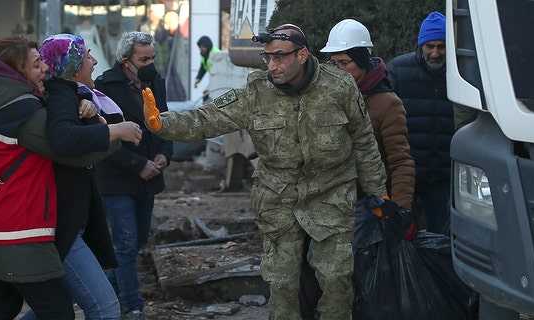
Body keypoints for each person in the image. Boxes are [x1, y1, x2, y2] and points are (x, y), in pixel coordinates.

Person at [142, 24, 388, 320]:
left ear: (302, 55)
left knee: (335, 279)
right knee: (281, 283)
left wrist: (378, 191)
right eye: (267, 58)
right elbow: (206, 119)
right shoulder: (256, 93)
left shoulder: (340, 87)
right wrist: (161, 124)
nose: (272, 66)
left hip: (330, 195)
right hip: (278, 200)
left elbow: (364, 140)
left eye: (280, 57)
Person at [296, 18, 416, 320]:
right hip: (322, 199)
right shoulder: (325, 97)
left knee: (345, 271)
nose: (338, 70)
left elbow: (400, 160)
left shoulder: (387, 103)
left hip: (364, 205)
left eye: (345, 62)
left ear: (363, 60)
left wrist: (398, 209)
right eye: (333, 63)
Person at [19, 34, 143, 320]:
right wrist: (114, 130)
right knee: (106, 308)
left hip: (64, 221)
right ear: (73, 66)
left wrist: (91, 114)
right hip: (62, 225)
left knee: (54, 309)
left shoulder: (69, 93)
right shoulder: (62, 94)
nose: (95, 60)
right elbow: (64, 139)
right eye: (88, 56)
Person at [0, 35, 73, 320]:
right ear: (18, 73)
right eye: (37, 64)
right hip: (18, 237)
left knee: (2, 306)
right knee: (58, 312)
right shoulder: (25, 112)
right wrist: (114, 133)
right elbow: (72, 150)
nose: (45, 68)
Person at [94, 31, 173, 320]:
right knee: (125, 244)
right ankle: (131, 304)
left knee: (137, 241)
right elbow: (101, 139)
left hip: (150, 176)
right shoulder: (104, 87)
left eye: (152, 57)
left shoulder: (155, 82)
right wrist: (137, 164)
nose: (150, 63)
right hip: (117, 178)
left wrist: (165, 152)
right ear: (126, 61)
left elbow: (164, 121)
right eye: (144, 59)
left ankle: (110, 295)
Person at [387, 11, 454, 234]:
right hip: (407, 175)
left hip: (444, 176)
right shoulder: (398, 71)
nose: (435, 53)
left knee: (441, 238)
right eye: (430, 46)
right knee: (403, 233)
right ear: (421, 46)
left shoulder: (461, 74)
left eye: (441, 46)